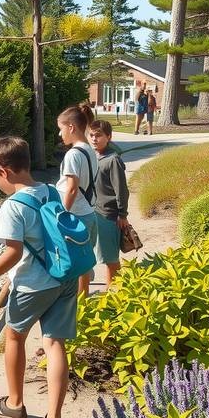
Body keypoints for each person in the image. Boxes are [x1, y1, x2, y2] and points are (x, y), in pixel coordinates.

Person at [0, 136, 78, 418]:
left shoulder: (13, 206)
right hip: (64, 278)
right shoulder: (52, 192)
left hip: (32, 285)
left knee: (14, 338)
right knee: (55, 344)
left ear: (4, 171)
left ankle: (15, 405)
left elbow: (13, 253)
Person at [57, 103, 99, 298]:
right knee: (84, 263)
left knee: (74, 263)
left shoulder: (73, 154)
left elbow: (72, 188)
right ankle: (84, 302)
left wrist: (62, 215)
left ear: (71, 127)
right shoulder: (90, 150)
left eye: (61, 129)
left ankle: (77, 303)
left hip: (76, 216)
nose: (60, 134)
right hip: (88, 213)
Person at [88, 120, 130, 290]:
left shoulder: (113, 160)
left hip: (109, 215)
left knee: (110, 259)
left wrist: (122, 214)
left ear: (109, 137)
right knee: (99, 256)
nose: (94, 139)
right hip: (94, 213)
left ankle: (114, 295)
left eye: (98, 135)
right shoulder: (92, 157)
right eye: (91, 135)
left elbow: (122, 190)